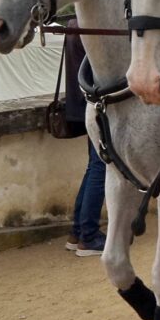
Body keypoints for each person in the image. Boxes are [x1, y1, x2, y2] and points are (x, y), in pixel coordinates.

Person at [63, 19, 107, 257]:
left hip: (80, 105)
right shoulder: (91, 25)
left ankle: (77, 231)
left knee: (93, 166)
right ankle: (88, 236)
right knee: (100, 167)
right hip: (96, 105)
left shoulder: (73, 25)